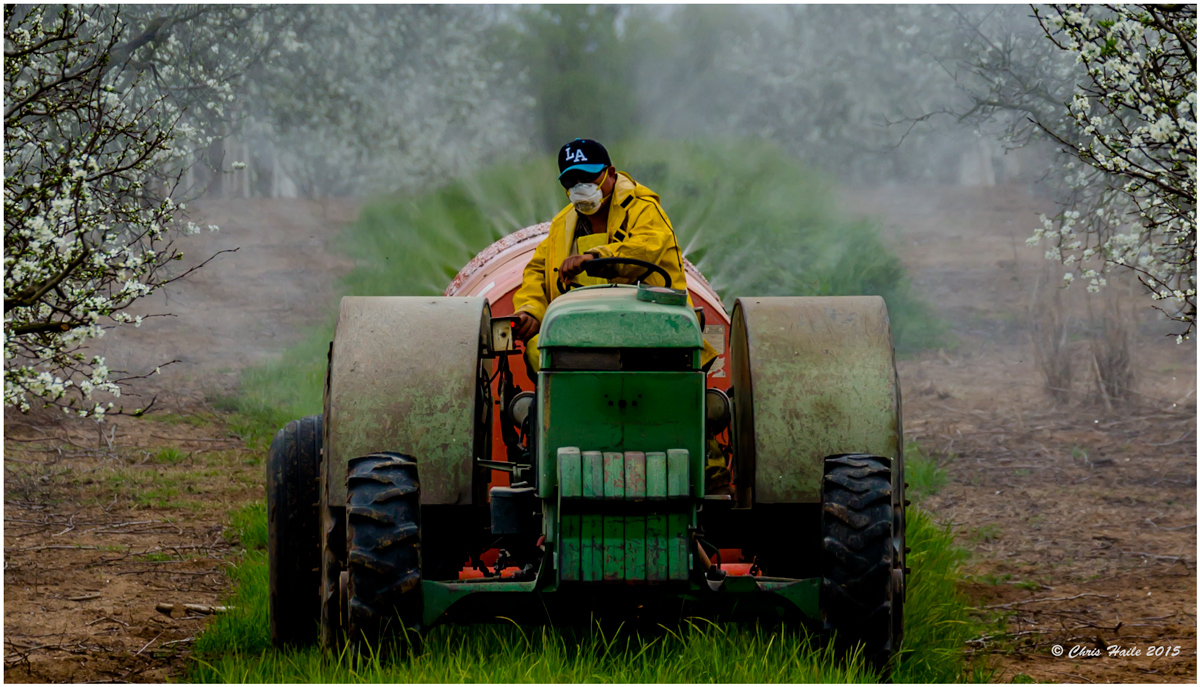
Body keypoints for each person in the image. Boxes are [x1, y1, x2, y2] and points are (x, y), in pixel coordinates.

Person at [511, 138, 716, 371]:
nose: (580, 186)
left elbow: (645, 247)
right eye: (571, 180)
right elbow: (537, 272)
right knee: (538, 348)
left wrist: (594, 258)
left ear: (610, 172)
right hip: (584, 330)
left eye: (589, 177)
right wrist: (530, 311)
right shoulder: (562, 224)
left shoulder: (644, 209)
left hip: (652, 325)